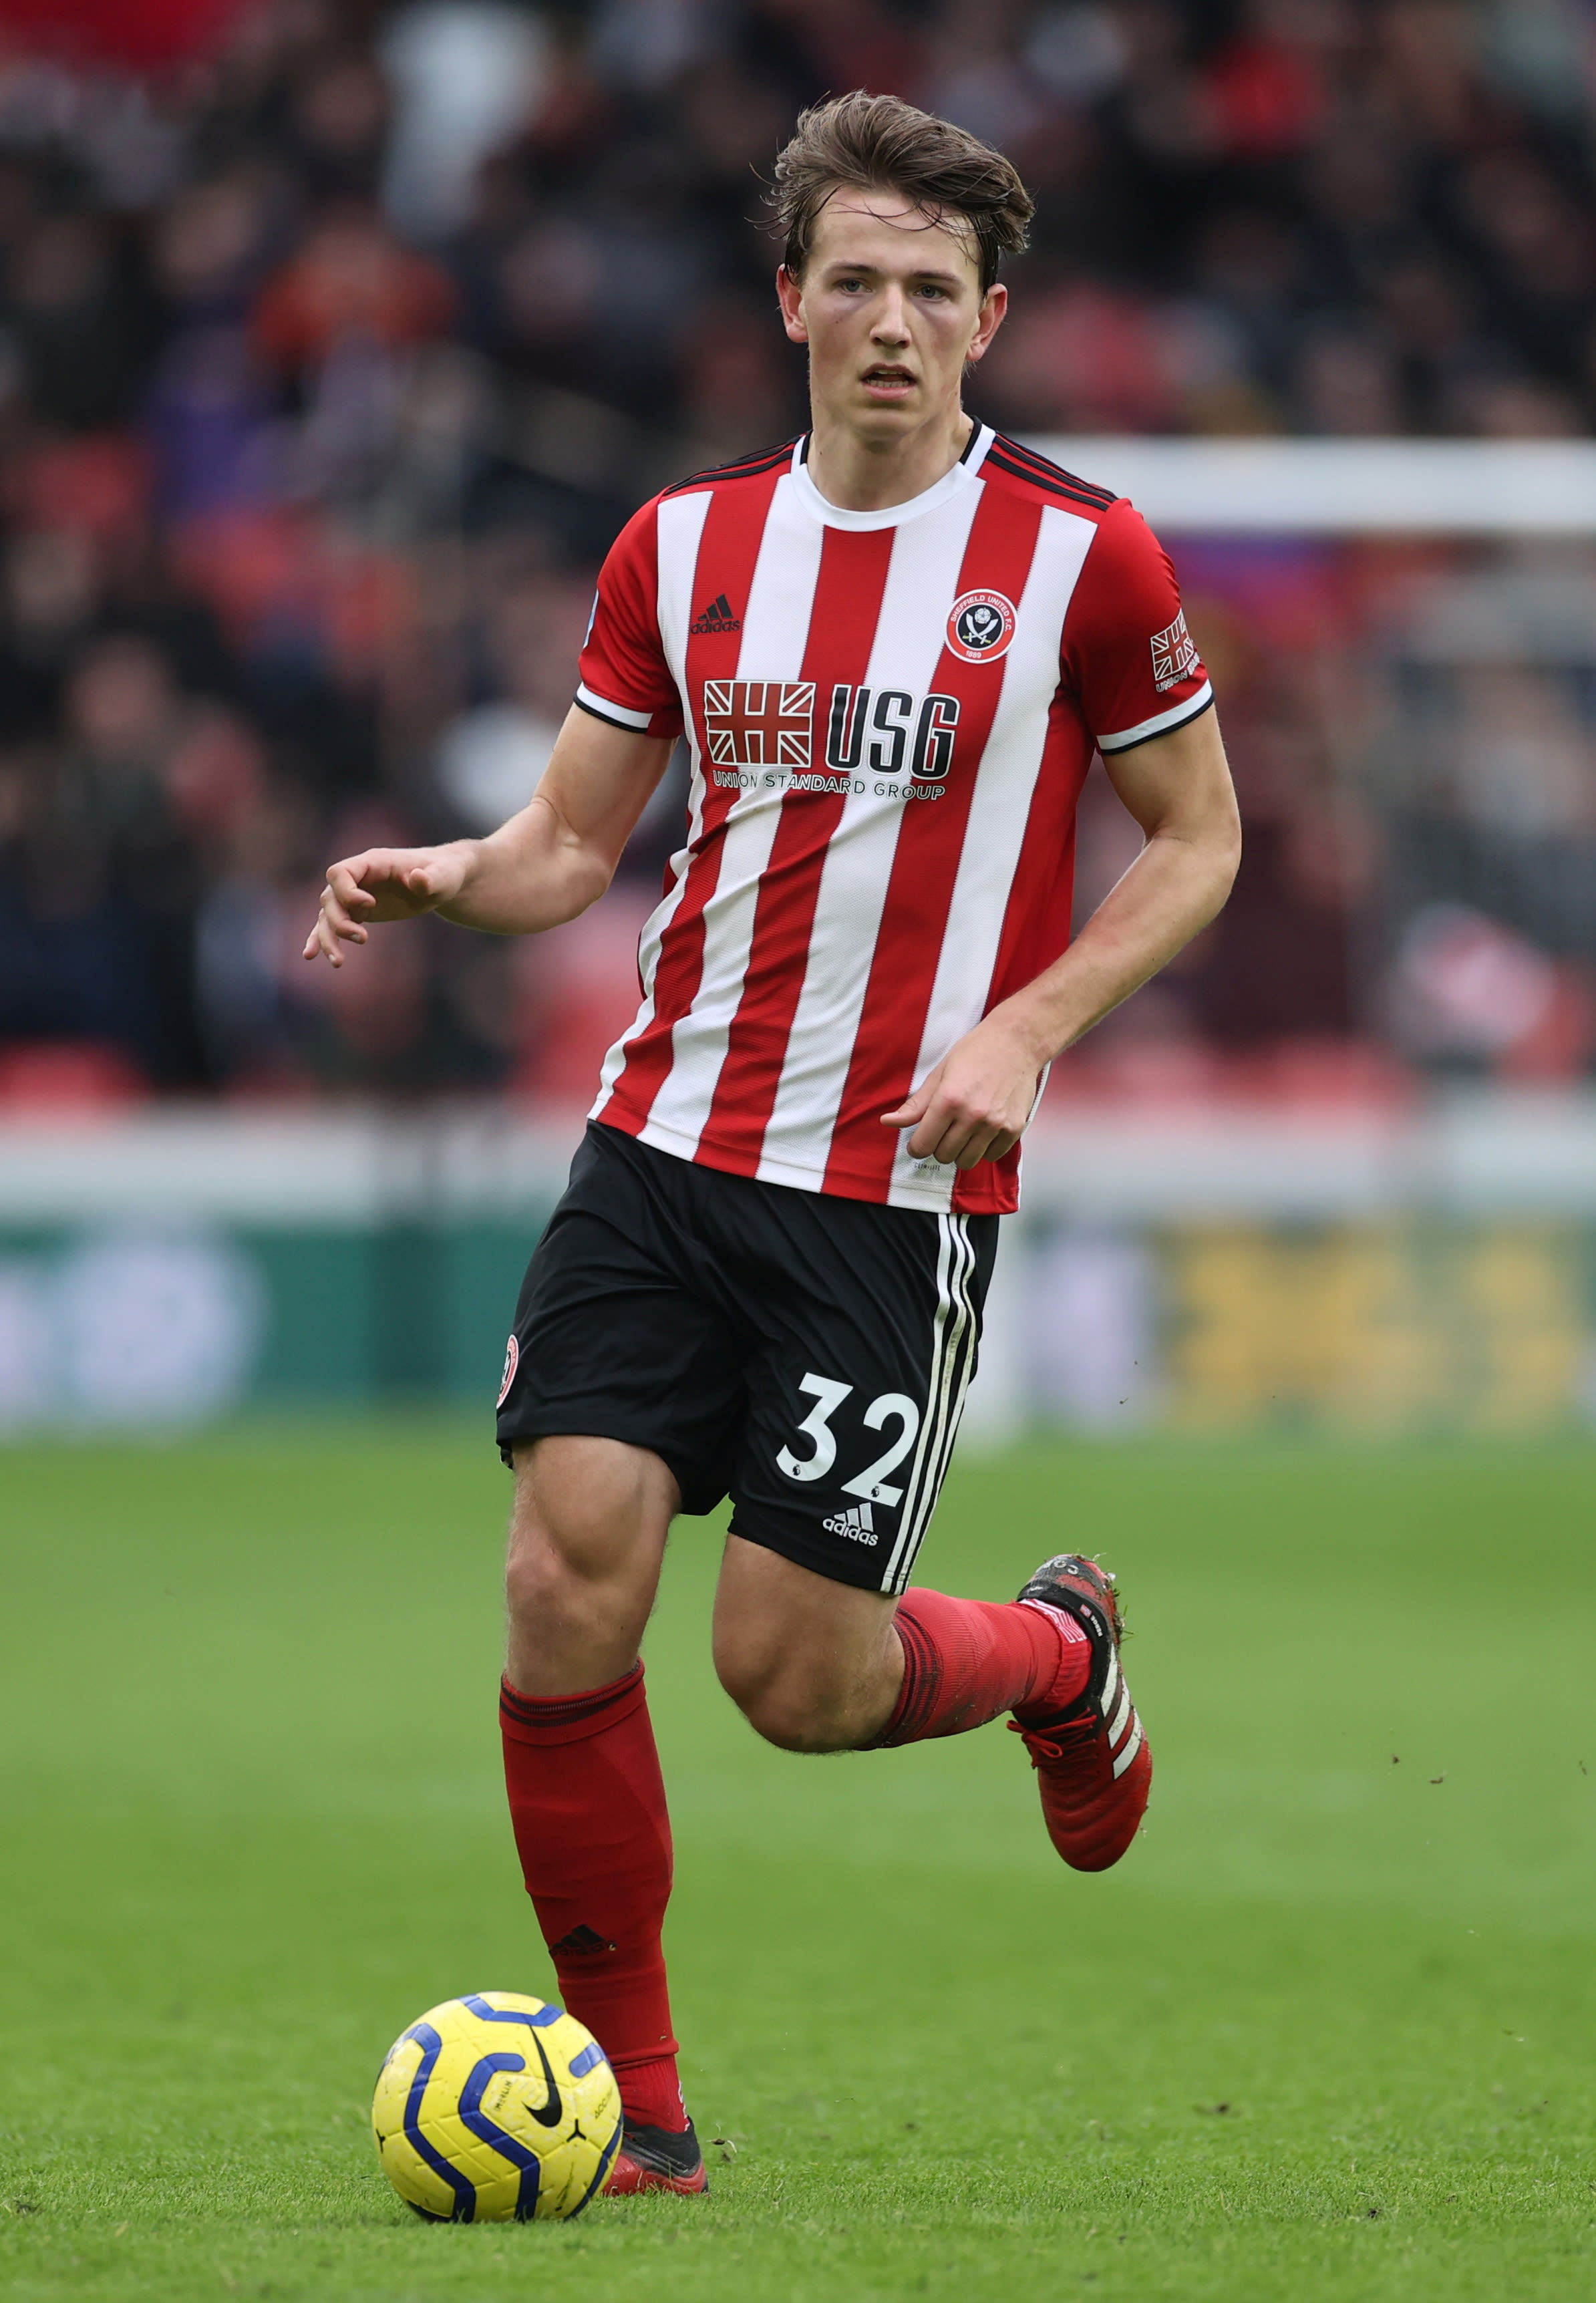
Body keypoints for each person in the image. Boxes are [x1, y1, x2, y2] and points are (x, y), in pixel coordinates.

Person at [304, 92, 1241, 2197]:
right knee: (563, 1577)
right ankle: (638, 2110)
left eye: (934, 288)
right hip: (663, 1143)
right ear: (792, 300)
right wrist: (451, 874)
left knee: (792, 1681)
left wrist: (1027, 1027)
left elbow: (1203, 841)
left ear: (989, 318)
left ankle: (1061, 1654)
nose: (894, 320)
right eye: (859, 281)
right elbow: (571, 842)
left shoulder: (1083, 557)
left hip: (891, 1195)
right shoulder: (683, 543)